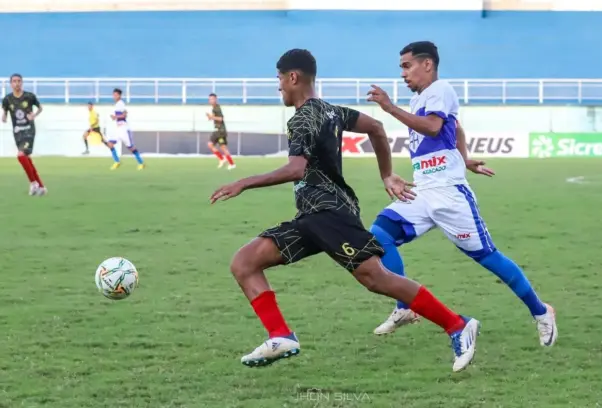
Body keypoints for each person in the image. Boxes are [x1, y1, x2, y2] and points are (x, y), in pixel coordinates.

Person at [210, 49, 481, 372]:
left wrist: (243, 182)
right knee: (245, 262)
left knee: (376, 278)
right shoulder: (331, 111)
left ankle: (458, 325)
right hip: (312, 217)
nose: (279, 86)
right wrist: (386, 174)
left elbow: (297, 169)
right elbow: (375, 127)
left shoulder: (303, 118)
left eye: (279, 79)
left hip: (329, 214)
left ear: (293, 77)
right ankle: (280, 335)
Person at [366, 41, 558, 347]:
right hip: (423, 191)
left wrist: (389, 108)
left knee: (489, 258)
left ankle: (541, 311)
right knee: (378, 236)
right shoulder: (420, 98)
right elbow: (454, 129)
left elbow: (433, 127)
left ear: (427, 64)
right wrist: (464, 158)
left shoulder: (441, 89)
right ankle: (405, 308)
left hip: (449, 195)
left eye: (407, 66)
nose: (403, 74)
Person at [1, 73, 47, 195]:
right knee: (26, 158)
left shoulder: (29, 96)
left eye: (19, 81)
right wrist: (4, 117)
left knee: (21, 155)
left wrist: (34, 115)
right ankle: (41, 187)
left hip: (29, 130)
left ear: (22, 82)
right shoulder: (7, 99)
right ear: (11, 84)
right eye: (14, 81)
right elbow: (4, 112)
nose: (17, 83)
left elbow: (40, 108)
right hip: (17, 132)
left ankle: (33, 183)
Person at [107, 88, 144, 170]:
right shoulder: (117, 105)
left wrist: (115, 117)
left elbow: (124, 115)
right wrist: (114, 116)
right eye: (113, 95)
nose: (114, 96)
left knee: (131, 148)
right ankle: (117, 162)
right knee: (110, 143)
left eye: (115, 95)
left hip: (124, 129)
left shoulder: (121, 103)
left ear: (119, 95)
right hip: (118, 129)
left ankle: (141, 163)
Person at [207, 93, 236, 169]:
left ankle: (230, 163)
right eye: (209, 99)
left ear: (215, 99)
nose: (210, 101)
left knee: (221, 147)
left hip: (220, 131)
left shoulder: (217, 108)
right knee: (212, 145)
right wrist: (210, 117)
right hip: (217, 131)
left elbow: (221, 119)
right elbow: (215, 118)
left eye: (212, 99)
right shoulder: (214, 108)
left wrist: (212, 117)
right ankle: (224, 160)